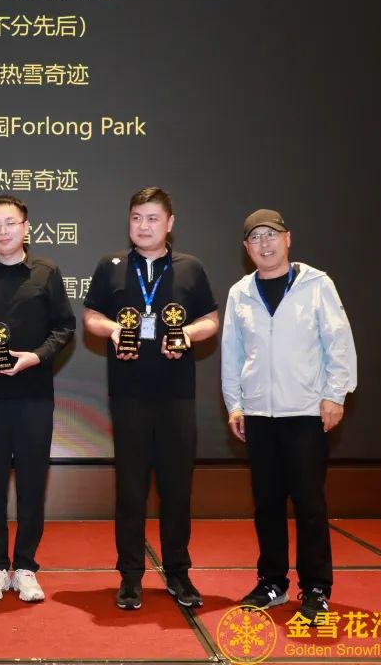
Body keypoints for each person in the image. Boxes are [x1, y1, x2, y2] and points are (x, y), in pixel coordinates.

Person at [82, 187, 218, 611]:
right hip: (128, 396)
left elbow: (211, 319)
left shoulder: (191, 268)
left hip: (177, 397)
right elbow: (90, 316)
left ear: (170, 223)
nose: (144, 226)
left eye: (153, 218)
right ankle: (130, 575)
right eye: (137, 218)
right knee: (131, 489)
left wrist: (188, 334)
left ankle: (178, 572)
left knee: (177, 488)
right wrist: (111, 330)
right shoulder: (111, 266)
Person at [220, 208, 357, 624]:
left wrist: (335, 395)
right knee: (266, 504)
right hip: (258, 413)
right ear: (246, 247)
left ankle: (316, 587)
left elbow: (338, 341)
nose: (264, 244)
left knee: (309, 503)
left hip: (305, 412)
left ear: (287, 238)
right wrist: (235, 404)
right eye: (255, 237)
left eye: (271, 235)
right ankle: (272, 582)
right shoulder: (240, 292)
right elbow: (232, 354)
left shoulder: (316, 284)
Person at [0, 195, 76, 603]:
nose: (2, 231)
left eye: (10, 223)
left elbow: (64, 327)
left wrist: (34, 357)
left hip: (34, 396)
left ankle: (24, 567)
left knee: (32, 484)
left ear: (26, 227)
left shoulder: (46, 272)